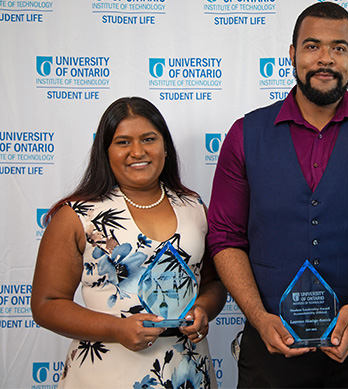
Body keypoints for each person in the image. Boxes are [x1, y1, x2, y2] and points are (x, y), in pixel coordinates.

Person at [207, 1, 348, 387]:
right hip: (271, 347)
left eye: (339, 48)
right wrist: (258, 317)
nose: (325, 59)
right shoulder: (245, 134)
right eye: (312, 46)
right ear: (292, 54)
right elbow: (225, 237)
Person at [31, 97, 227, 388]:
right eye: (123, 142)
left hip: (187, 372)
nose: (138, 151)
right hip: (105, 373)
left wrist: (203, 309)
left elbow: (214, 283)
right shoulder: (77, 216)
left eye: (149, 139)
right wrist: (116, 328)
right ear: (105, 152)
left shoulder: (194, 207)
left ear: (165, 147)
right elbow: (46, 304)